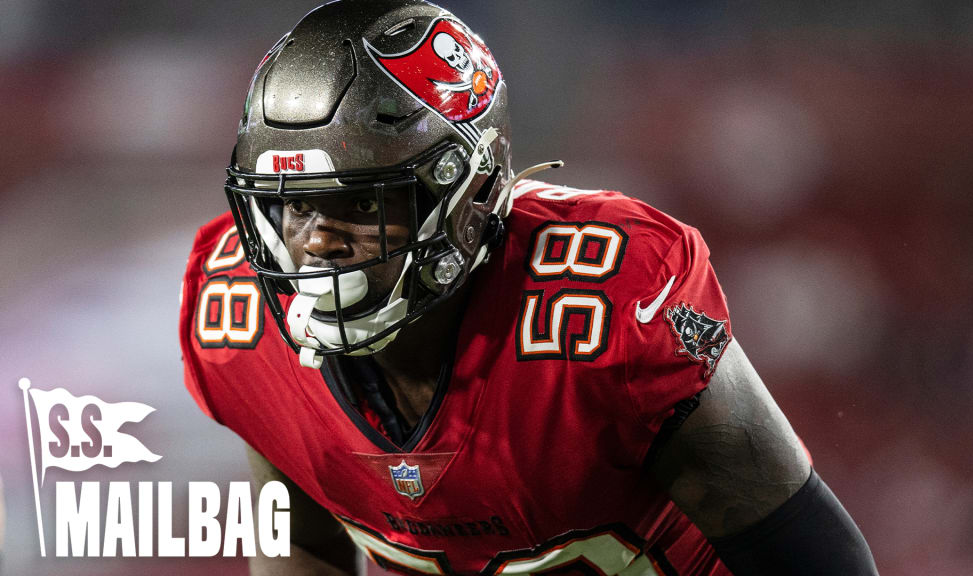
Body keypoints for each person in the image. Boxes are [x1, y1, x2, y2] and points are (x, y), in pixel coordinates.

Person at [179, 1, 878, 574]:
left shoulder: (606, 303)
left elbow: (812, 556)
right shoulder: (242, 328)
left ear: (472, 190)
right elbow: (303, 544)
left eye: (362, 204)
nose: (317, 241)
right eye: (295, 205)